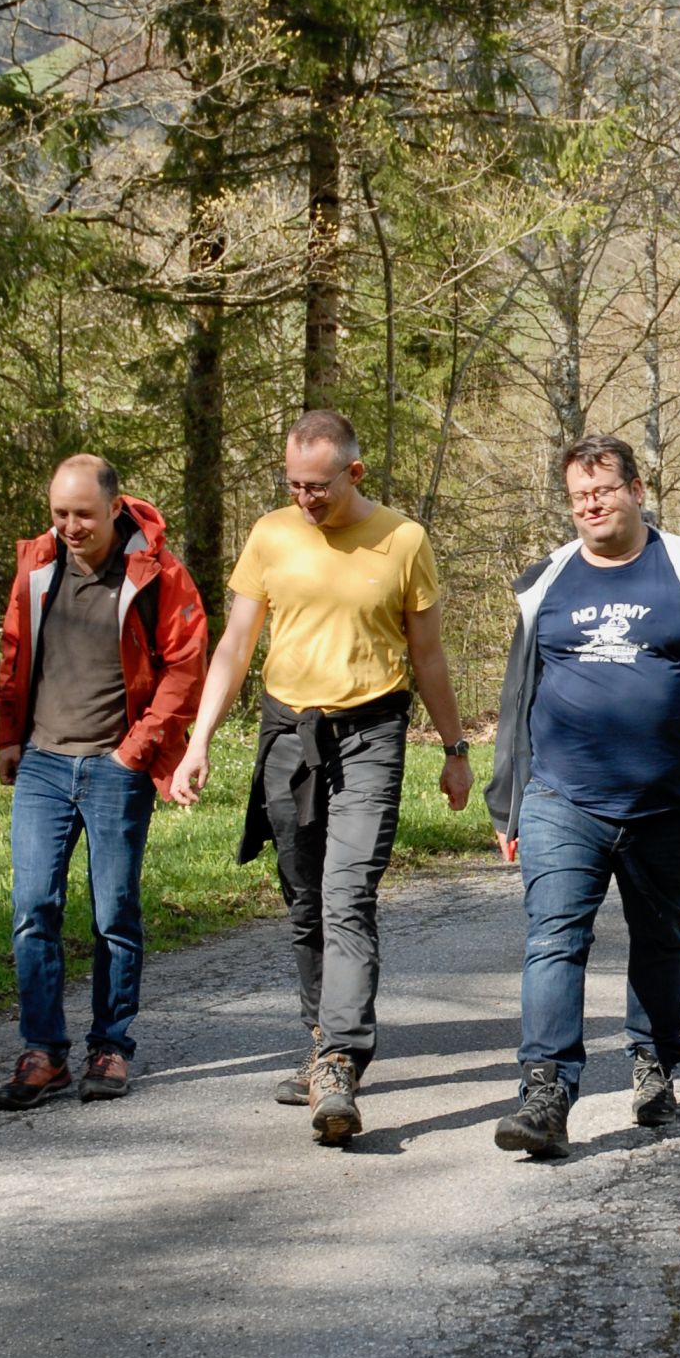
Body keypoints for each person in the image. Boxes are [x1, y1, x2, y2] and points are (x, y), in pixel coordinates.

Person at [169, 409, 472, 1147]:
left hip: (371, 733)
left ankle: (340, 1057)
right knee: (305, 899)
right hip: (287, 736)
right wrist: (198, 740)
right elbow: (236, 644)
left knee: (347, 894)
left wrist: (455, 748)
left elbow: (428, 655)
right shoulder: (271, 535)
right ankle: (319, 1042)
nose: (305, 499)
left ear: (354, 472)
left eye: (318, 486)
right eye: (294, 486)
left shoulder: (404, 540)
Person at [485, 435, 680, 1157]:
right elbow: (519, 694)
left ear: (637, 491)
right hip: (561, 796)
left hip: (665, 801)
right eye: (579, 496)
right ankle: (546, 1092)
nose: (591, 506)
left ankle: (653, 1061)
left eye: (603, 491)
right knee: (554, 938)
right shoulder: (546, 581)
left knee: (660, 938)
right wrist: (507, 799)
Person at [0, 455, 208, 1110]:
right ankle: (44, 1052)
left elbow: (185, 667)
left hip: (116, 767)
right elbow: (13, 650)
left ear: (114, 507)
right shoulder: (38, 564)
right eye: (59, 513)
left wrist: (134, 752)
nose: (70, 526)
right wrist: (8, 735)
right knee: (34, 909)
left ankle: (110, 1044)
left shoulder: (156, 572)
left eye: (83, 514)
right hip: (43, 763)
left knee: (114, 914)